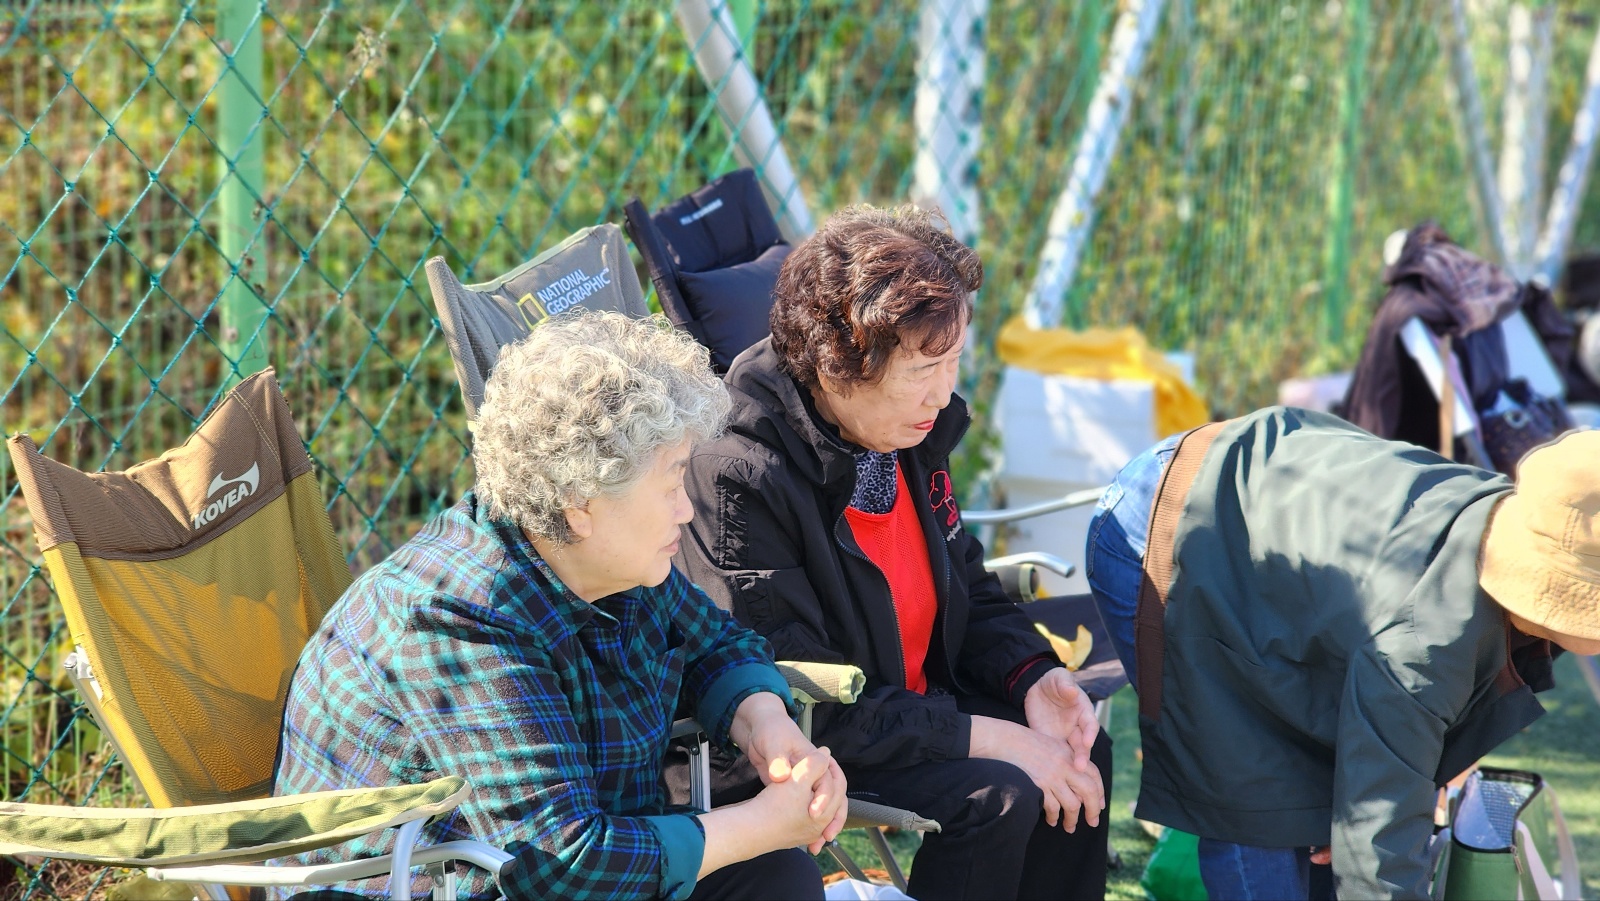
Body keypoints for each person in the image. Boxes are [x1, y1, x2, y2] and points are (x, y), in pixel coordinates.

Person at [274, 311, 847, 900]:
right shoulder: (457, 618)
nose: (685, 509)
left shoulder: (603, 560)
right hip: (444, 886)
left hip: (561, 870)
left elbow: (717, 643)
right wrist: (765, 823)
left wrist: (769, 728)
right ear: (580, 503)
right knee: (767, 859)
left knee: (778, 874)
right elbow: (562, 860)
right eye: (672, 483)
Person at [676, 205, 1111, 901]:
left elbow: (964, 582)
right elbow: (796, 689)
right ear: (837, 366)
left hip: (910, 701)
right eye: (923, 368)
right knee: (999, 792)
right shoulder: (738, 473)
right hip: (819, 732)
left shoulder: (901, 428)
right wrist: (988, 737)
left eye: (954, 360)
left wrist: (1032, 675)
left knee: (1081, 752)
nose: (943, 392)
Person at [1086, 405, 1600, 900]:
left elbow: (1395, 766)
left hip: (1276, 517)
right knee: (1256, 793)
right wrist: (1361, 829)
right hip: (1175, 516)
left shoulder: (1518, 552)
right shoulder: (1424, 642)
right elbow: (1379, 840)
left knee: (1328, 808)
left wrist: (1358, 818)